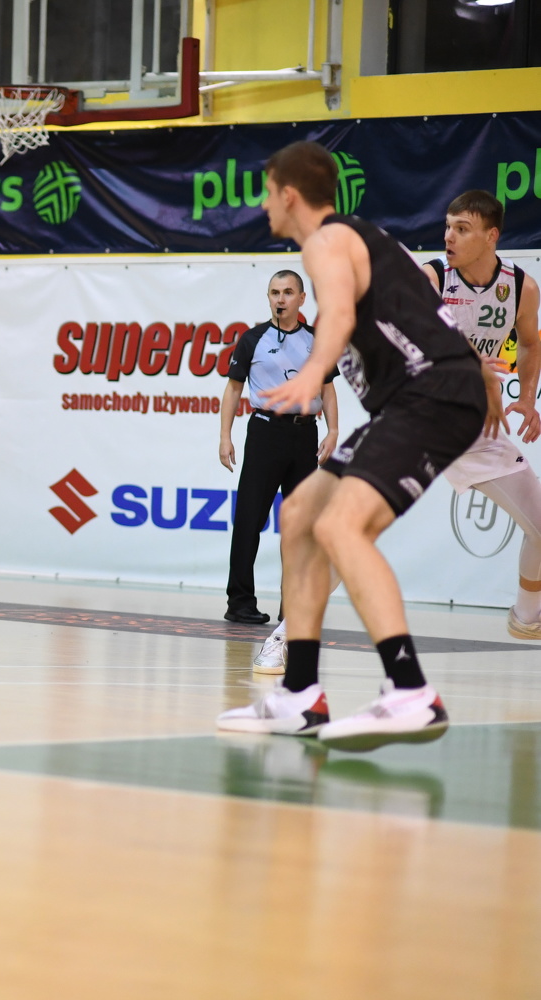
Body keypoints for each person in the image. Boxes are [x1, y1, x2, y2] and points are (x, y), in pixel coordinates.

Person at [216, 140, 492, 752]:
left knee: (340, 526)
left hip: (429, 396)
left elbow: (338, 316)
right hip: (427, 396)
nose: (263, 205)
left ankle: (410, 692)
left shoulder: (326, 241)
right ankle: (300, 695)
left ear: (290, 195)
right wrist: (483, 378)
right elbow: (432, 315)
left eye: (267, 193)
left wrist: (313, 373)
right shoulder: (361, 239)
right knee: (299, 514)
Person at [421, 190, 541, 637]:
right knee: (355, 526)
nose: (448, 237)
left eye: (462, 228)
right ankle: (287, 635)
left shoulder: (521, 287)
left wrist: (526, 397)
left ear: (492, 236)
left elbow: (530, 343)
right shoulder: (431, 277)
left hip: (473, 422)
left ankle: (527, 618)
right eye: (448, 226)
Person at [219, 270, 339, 629]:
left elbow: (328, 388)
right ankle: (240, 602)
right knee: (249, 519)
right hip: (265, 432)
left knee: (301, 526)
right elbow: (233, 389)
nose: (280, 299)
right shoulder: (252, 338)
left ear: (302, 299)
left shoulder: (317, 340)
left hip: (304, 435)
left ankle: (294, 606)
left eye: (288, 292)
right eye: (274, 293)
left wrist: (333, 430)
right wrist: (225, 436)